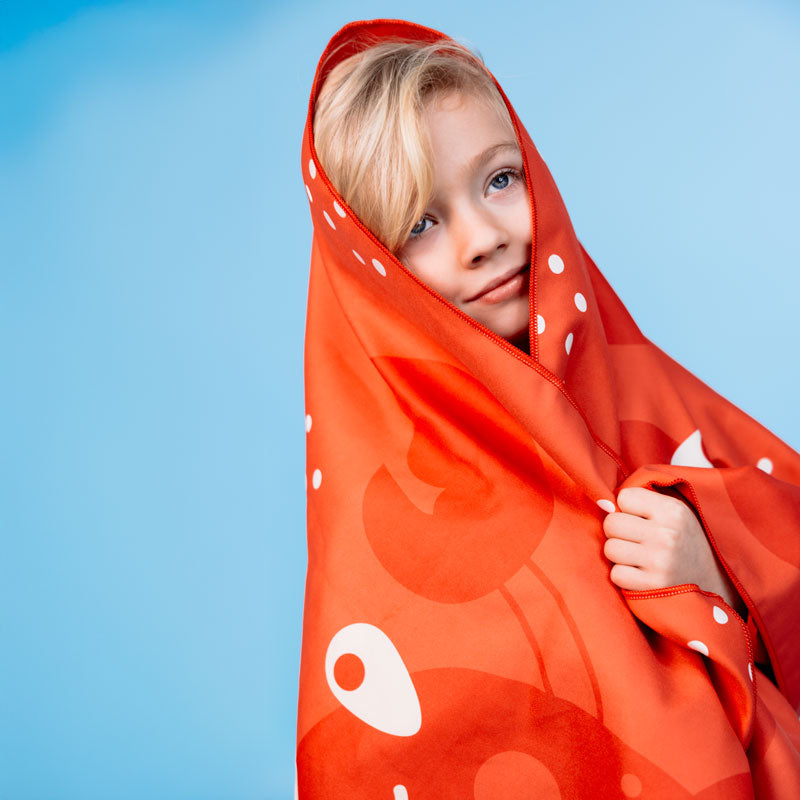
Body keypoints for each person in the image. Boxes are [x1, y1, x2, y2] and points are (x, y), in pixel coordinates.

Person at [297, 18, 800, 799]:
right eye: (420, 224)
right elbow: (373, 757)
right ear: (371, 270)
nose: (482, 238)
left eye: (500, 180)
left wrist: (726, 570)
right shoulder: (388, 535)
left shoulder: (648, 396)